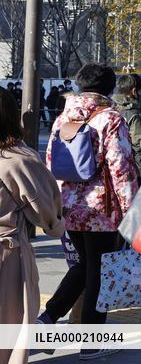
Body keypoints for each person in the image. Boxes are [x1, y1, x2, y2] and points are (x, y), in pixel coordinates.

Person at [40, 63, 139, 359]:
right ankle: (92, 342)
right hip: (101, 210)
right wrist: (132, 211)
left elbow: (50, 163)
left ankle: (46, 319)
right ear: (109, 88)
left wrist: (58, 203)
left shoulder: (63, 117)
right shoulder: (110, 118)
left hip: (69, 206)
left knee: (84, 266)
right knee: (99, 273)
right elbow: (121, 168)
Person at [0, 87, 64, 364]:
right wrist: (56, 227)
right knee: (10, 329)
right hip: (7, 256)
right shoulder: (17, 159)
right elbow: (47, 213)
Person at [114, 73, 141, 178]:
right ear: (134, 91)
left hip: (113, 166)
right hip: (131, 170)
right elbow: (140, 147)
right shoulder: (134, 114)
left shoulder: (110, 109)